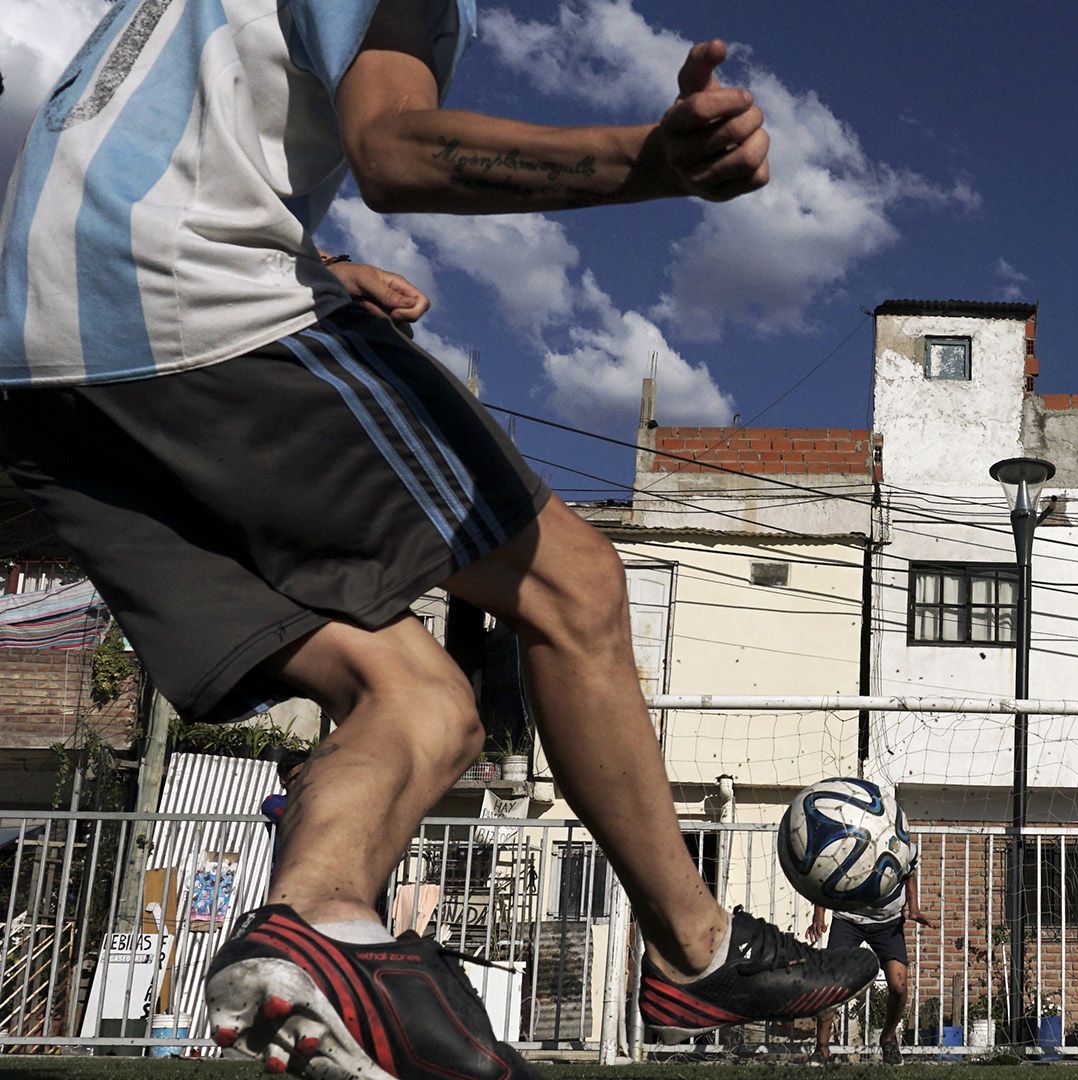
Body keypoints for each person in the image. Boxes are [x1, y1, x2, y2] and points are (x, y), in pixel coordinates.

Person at [0, 2, 875, 1077]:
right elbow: (395, 153)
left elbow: (117, 154)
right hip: (181, 303)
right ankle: (693, 949)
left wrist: (314, 256)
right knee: (573, 584)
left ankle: (313, 928)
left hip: (41, 378)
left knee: (419, 699)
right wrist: (646, 160)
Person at [805, 871, 934, 1065]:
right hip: (847, 920)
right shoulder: (848, 842)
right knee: (829, 982)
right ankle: (822, 1049)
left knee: (899, 986)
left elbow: (910, 873)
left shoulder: (901, 843)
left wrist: (913, 907)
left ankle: (888, 1039)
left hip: (888, 923)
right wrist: (819, 915)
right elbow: (825, 872)